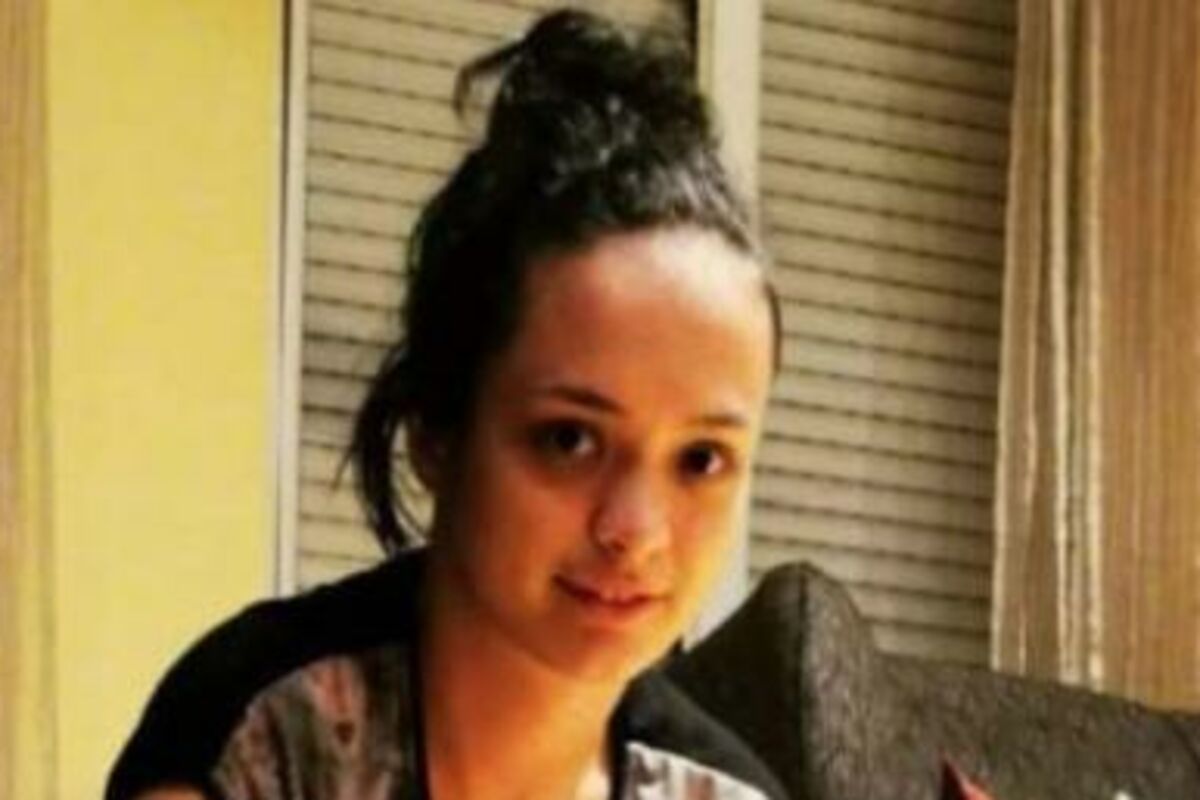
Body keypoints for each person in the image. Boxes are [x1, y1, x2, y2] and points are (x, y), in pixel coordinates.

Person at [106, 9, 786, 800]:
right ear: (437, 427)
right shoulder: (264, 737)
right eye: (570, 439)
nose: (636, 530)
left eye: (700, 459)